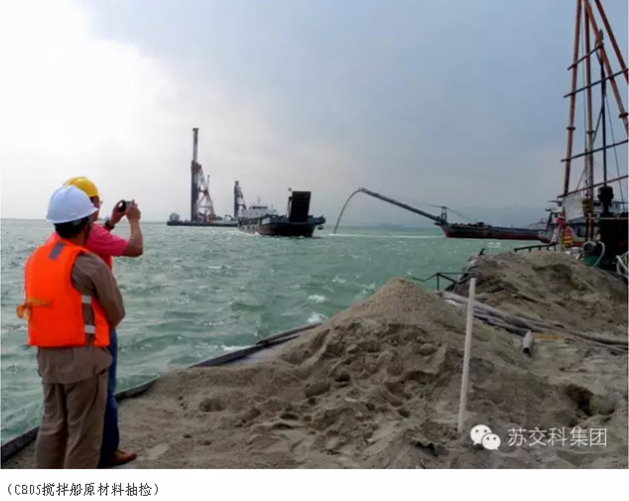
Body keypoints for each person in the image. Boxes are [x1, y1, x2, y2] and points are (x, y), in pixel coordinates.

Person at [17, 186, 125, 468]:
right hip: (85, 361)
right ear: (87, 224)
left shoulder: (34, 260)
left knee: (53, 424)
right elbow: (116, 312)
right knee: (84, 435)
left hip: (47, 358)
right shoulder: (88, 263)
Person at [61, 176, 143, 467]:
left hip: (71, 323)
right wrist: (134, 221)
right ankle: (108, 450)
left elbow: (95, 237)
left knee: (78, 392)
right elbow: (135, 248)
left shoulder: (66, 235)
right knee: (106, 388)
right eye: (97, 201)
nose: (99, 205)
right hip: (98, 324)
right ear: (88, 205)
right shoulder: (92, 235)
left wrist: (111, 222)